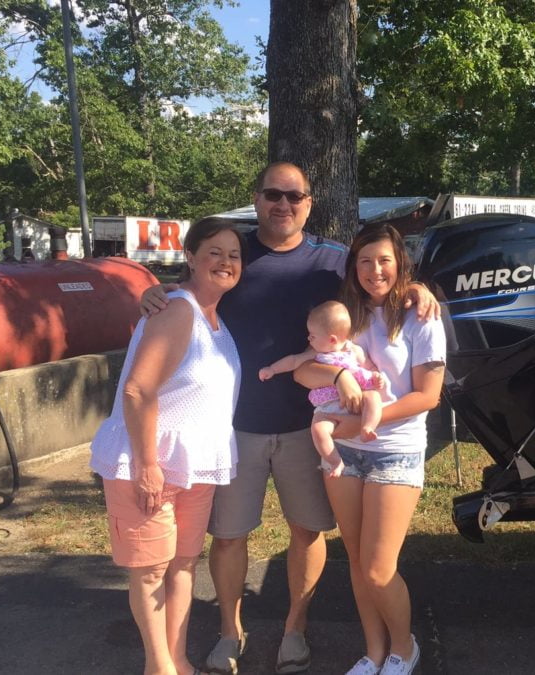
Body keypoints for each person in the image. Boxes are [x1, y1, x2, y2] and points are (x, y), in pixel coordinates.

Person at [140, 161, 438, 675]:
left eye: (293, 196)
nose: (283, 204)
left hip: (311, 426)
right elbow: (189, 285)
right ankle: (230, 631)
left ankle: (295, 628)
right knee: (229, 536)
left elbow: (379, 280)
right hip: (235, 426)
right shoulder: (232, 255)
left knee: (307, 532)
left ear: (309, 202)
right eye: (272, 195)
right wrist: (153, 290)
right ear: (256, 198)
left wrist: (419, 290)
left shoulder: (333, 262)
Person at [90, 217, 245, 675]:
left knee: (182, 565)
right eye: (214, 252)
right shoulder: (178, 309)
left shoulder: (214, 318)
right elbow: (138, 390)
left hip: (194, 464)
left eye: (234, 255)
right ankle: (158, 666)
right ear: (191, 258)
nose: (225, 261)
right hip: (150, 462)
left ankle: (178, 659)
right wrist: (147, 464)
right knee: (151, 570)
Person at [295, 224, 446, 675]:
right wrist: (338, 378)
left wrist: (361, 420)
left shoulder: (421, 317)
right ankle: (374, 652)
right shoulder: (344, 316)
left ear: (400, 263)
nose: (374, 270)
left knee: (380, 569)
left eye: (383, 260)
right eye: (364, 261)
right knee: (359, 564)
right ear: (353, 267)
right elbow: (304, 372)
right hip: (343, 451)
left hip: (395, 451)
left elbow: (428, 396)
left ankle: (404, 648)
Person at [258, 300, 386, 477]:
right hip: (328, 408)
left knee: (373, 397)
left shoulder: (353, 350)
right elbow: (294, 360)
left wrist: (375, 376)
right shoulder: (316, 353)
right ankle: (335, 461)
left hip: (357, 398)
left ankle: (368, 427)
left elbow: (369, 367)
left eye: (312, 335)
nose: (309, 339)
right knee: (318, 429)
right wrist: (272, 369)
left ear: (332, 339)